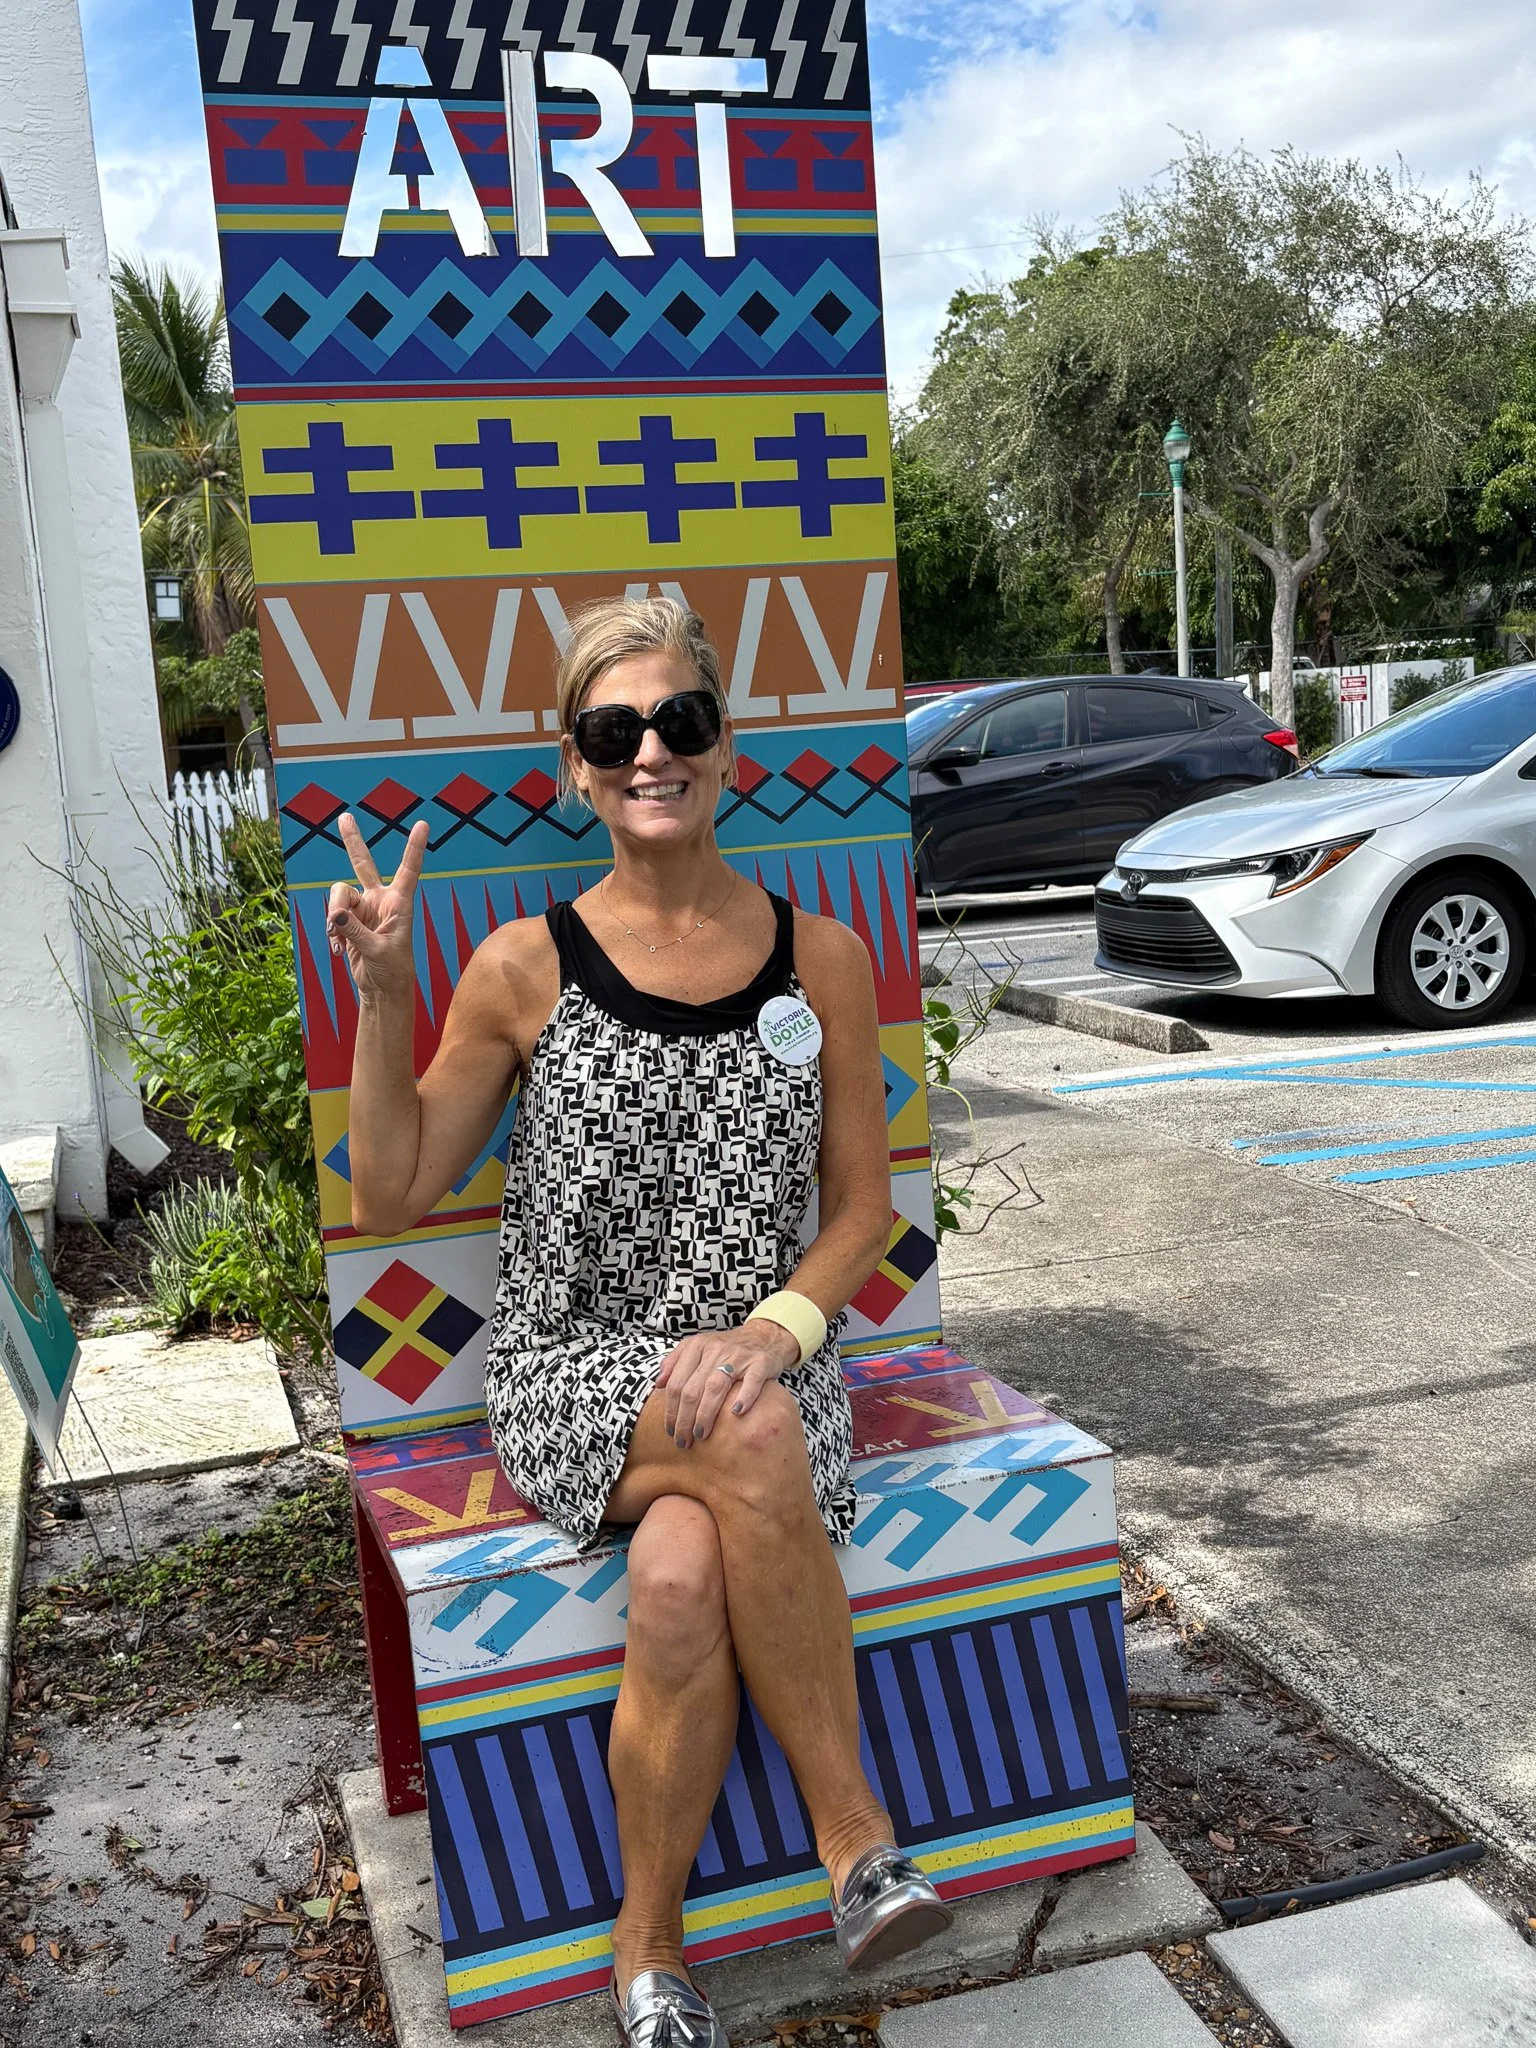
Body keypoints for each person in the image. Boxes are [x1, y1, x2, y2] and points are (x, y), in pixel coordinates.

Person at [330, 597, 952, 2047]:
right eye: (616, 730)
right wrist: (378, 999)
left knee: (678, 1581)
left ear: (726, 749)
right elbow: (389, 1195)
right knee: (741, 1442)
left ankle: (646, 1951)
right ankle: (857, 1843)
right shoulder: (522, 968)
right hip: (573, 1375)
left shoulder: (826, 961)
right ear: (575, 765)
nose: (651, 750)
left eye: (679, 720)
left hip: (768, 1362)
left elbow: (862, 1210)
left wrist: (777, 1334)